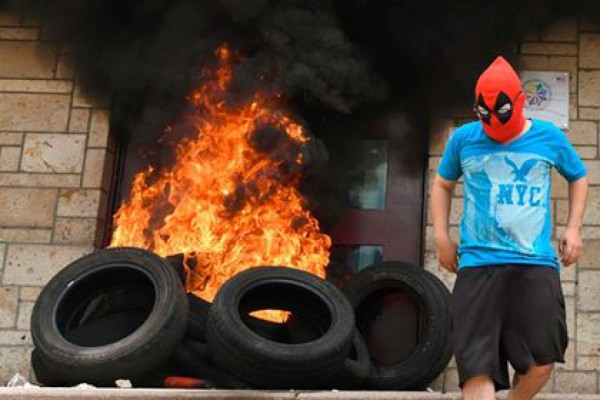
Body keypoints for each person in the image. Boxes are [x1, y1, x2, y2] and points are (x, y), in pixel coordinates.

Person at [430, 56, 589, 400]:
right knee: (477, 367)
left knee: (542, 361)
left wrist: (573, 228)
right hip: (477, 265)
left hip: (535, 264)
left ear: (518, 103)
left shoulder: (548, 137)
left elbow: (578, 177)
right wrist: (441, 236)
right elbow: (442, 184)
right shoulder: (464, 139)